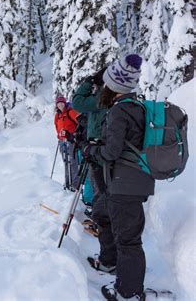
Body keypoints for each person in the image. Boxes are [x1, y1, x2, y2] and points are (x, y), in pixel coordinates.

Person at [82, 54, 153, 300]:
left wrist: (92, 150)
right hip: (127, 181)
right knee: (102, 213)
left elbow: (111, 152)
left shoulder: (120, 111)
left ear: (115, 85)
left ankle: (129, 292)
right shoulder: (136, 106)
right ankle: (110, 262)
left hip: (126, 184)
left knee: (129, 239)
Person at [72, 67, 108, 220]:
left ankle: (102, 219)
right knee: (103, 186)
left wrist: (90, 81)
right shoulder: (119, 98)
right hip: (110, 148)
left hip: (98, 150)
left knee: (99, 187)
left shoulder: (102, 99)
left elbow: (77, 102)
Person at [54, 96, 80, 191]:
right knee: (66, 162)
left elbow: (80, 122)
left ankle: (75, 184)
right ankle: (68, 182)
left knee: (73, 162)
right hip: (62, 142)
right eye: (58, 103)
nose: (60, 105)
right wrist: (59, 136)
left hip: (71, 140)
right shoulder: (58, 115)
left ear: (65, 103)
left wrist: (74, 135)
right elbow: (57, 126)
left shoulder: (70, 112)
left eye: (62, 103)